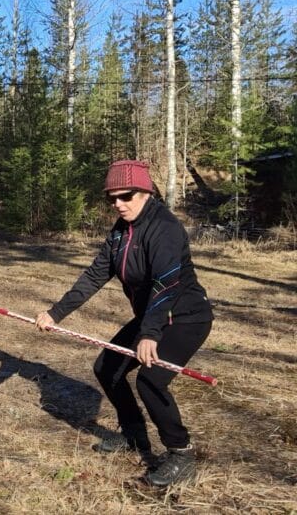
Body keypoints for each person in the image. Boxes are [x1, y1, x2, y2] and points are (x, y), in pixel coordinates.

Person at [34, 160, 213, 487]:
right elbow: (94, 276)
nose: (118, 203)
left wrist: (149, 334)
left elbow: (165, 284)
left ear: (145, 192)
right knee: (107, 368)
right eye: (112, 198)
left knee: (150, 381)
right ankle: (133, 434)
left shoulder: (165, 229)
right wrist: (56, 313)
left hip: (186, 317)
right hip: (152, 317)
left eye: (125, 196)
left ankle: (181, 453)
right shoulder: (120, 232)